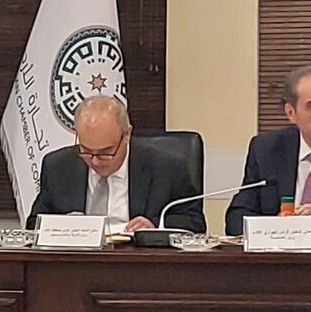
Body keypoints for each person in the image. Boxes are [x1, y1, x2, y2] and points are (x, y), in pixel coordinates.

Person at [26, 96, 206, 233]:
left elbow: (193, 222)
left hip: (140, 263)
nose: (95, 161)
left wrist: (155, 226)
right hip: (77, 263)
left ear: (127, 135)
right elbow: (34, 224)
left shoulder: (167, 168)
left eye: (105, 152)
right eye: (86, 151)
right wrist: (62, 226)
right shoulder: (58, 166)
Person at [226, 65, 311, 235]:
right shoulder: (267, 149)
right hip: (281, 251)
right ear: (291, 113)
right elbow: (236, 218)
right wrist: (276, 228)